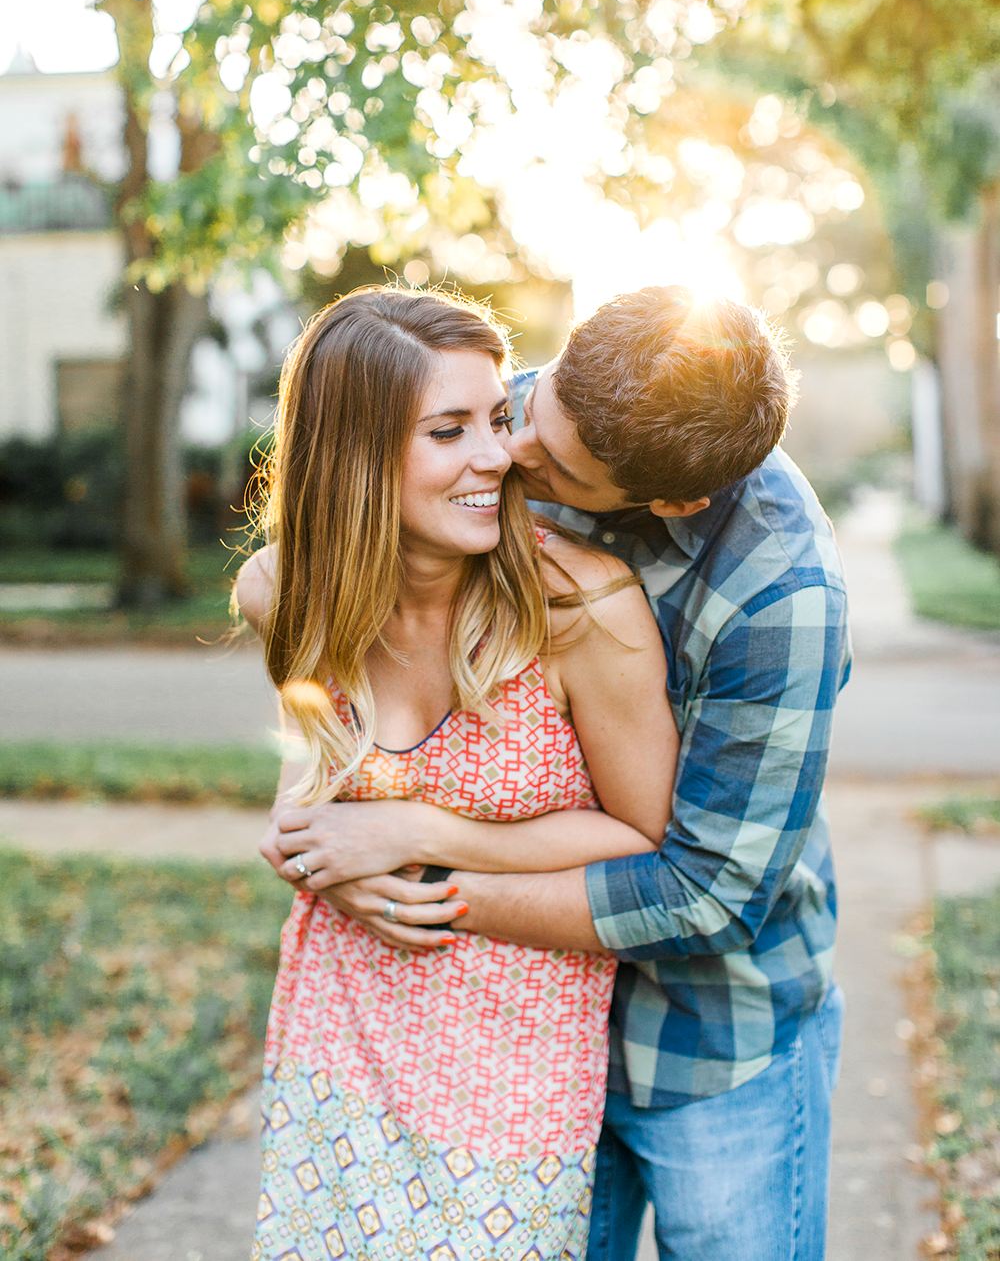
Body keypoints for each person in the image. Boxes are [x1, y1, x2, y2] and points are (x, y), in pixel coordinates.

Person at [269, 285, 851, 1261]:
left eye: (545, 456)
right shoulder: (538, 416)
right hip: (515, 1038)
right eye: (517, 412)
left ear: (669, 501)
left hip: (710, 1036)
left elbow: (702, 895)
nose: (509, 458)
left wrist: (412, 870)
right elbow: (326, 571)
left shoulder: (778, 595)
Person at [236, 287, 678, 1261]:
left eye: (497, 418)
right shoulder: (282, 591)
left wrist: (421, 833)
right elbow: (309, 769)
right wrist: (303, 842)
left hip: (516, 1059)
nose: (496, 456)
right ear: (353, 456)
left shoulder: (582, 607)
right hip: (339, 1032)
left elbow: (642, 838)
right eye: (449, 430)